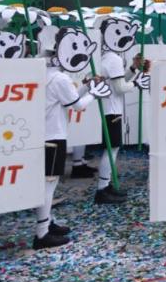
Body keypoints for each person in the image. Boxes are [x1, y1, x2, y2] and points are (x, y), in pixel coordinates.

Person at [36, 26, 112, 249]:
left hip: (46, 134)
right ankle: (41, 233)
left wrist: (87, 86)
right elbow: (77, 105)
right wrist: (94, 93)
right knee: (48, 185)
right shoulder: (58, 78)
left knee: (49, 182)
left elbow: (69, 98)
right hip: (53, 136)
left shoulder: (46, 75)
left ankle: (47, 223)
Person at [93, 16, 150, 204]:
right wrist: (137, 82)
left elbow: (119, 81)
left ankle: (106, 185)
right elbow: (121, 88)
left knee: (112, 150)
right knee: (112, 150)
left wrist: (133, 68)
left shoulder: (107, 57)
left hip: (109, 109)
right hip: (112, 110)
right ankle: (102, 189)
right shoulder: (114, 59)